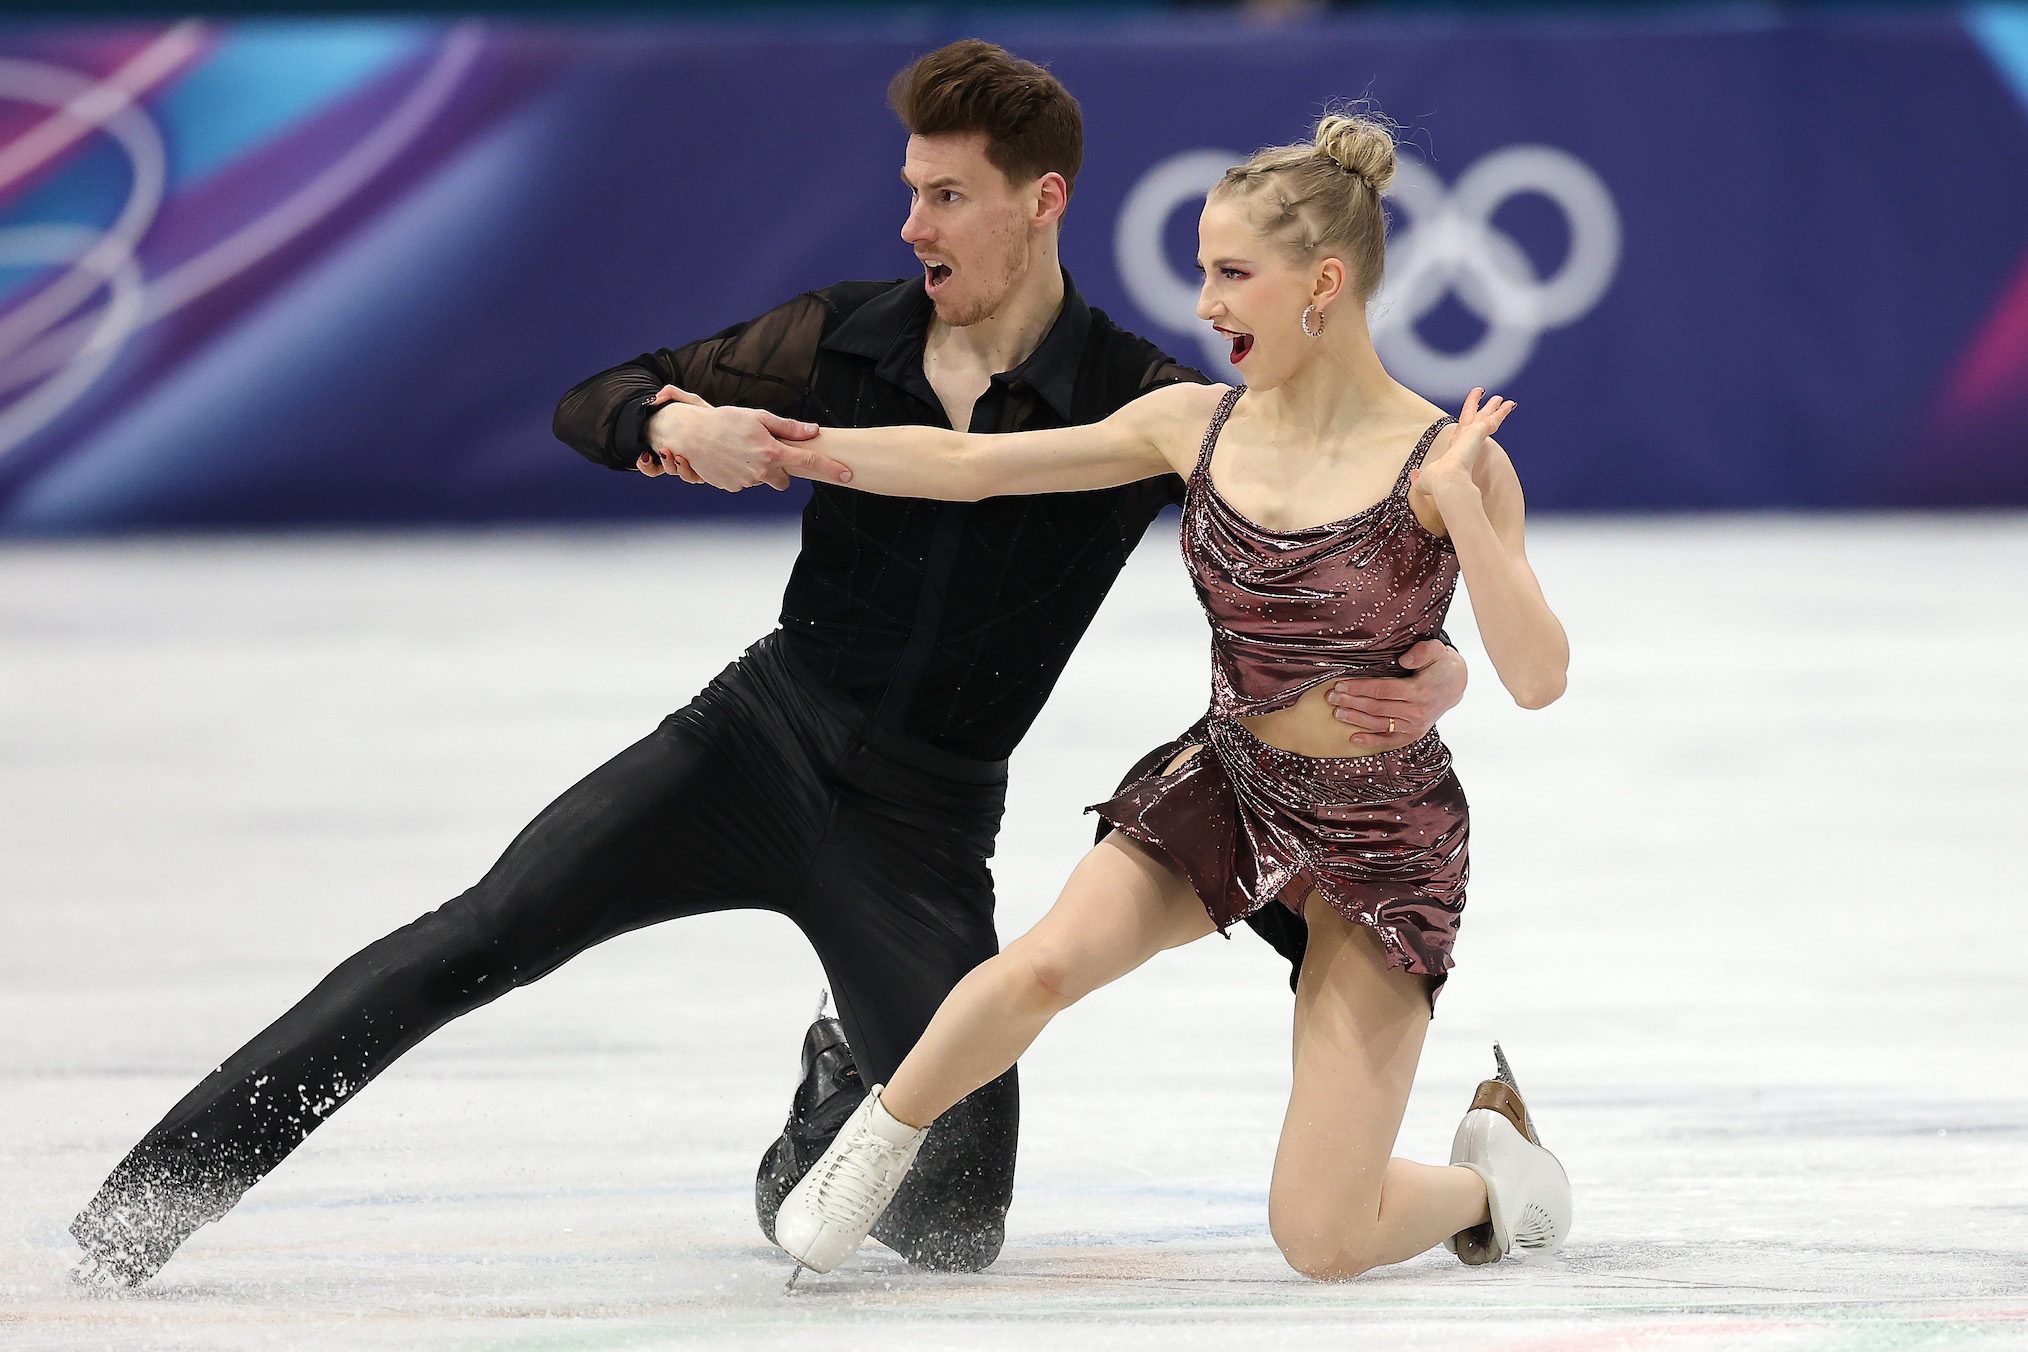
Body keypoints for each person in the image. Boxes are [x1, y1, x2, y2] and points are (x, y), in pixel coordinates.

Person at [66, 46, 1466, 1289]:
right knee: (481, 935)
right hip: (754, 744)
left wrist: (1439, 674)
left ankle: (838, 1074)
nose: (912, 223)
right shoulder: (841, 340)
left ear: (1042, 204)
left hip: (920, 830)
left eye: (948, 196)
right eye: (910, 190)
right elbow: (591, 399)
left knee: (953, 1228)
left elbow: (1318, 547)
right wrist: (679, 422)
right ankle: (154, 1199)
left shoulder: (1137, 401)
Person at [764, 111, 1573, 1282]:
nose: (1206, 302)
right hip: (1231, 784)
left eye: (1233, 273)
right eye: (1205, 270)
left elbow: (1539, 677)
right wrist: (798, 448)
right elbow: (968, 466)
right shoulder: (1192, 424)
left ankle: (1496, 1181)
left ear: (1324, 284)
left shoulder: (1450, 459)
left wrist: (1468, 516)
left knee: (1321, 1236)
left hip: (1383, 832)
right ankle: (871, 1150)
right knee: (1044, 962)